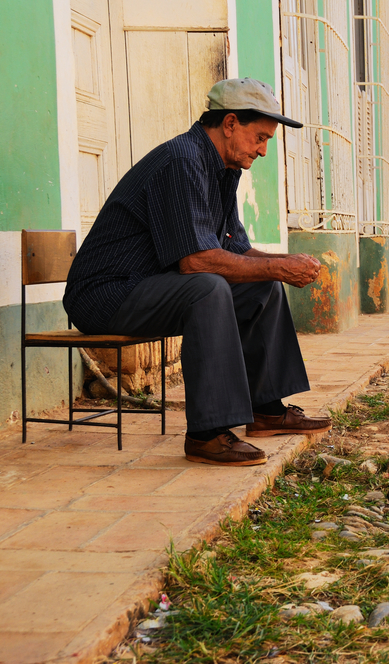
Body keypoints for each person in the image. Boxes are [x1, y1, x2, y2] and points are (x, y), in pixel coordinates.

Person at [63, 78, 333, 467]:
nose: (262, 150)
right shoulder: (182, 161)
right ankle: (206, 434)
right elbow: (196, 261)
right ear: (229, 124)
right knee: (207, 288)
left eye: (267, 141)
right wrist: (277, 265)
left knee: (263, 285)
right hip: (104, 294)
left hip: (147, 287)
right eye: (259, 137)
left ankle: (267, 410)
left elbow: (236, 250)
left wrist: (283, 266)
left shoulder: (223, 169)